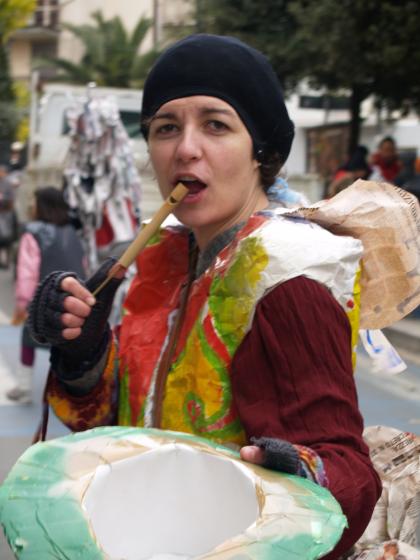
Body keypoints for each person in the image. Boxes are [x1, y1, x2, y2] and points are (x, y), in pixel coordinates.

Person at [27, 34, 381, 559]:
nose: (185, 149)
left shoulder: (288, 278)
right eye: (166, 128)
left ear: (261, 152)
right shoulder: (168, 259)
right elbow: (117, 427)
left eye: (216, 125)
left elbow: (350, 476)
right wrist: (84, 351)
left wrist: (301, 475)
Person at [7, 186, 86, 403]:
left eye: (34, 202)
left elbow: (27, 272)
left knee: (28, 340)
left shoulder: (33, 232)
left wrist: (23, 303)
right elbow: (84, 264)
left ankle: (24, 388)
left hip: (42, 299)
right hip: (72, 297)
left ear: (43, 205)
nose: (31, 206)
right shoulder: (74, 231)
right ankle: (65, 390)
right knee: (66, 343)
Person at [0, 164, 17, 268]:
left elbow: (11, 200)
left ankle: (7, 261)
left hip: (6, 213)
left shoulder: (8, 183)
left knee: (7, 238)